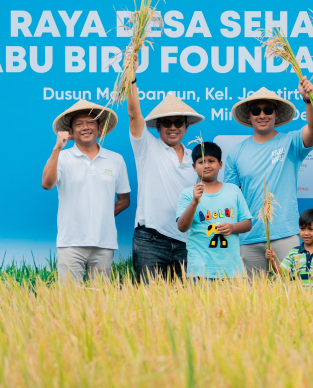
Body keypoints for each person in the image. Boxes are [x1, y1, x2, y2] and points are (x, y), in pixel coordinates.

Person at [224, 80, 313, 277]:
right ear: (249, 116)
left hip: (285, 235)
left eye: (268, 110)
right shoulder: (236, 153)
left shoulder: (290, 142)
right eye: (256, 111)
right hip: (248, 238)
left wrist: (308, 100)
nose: (262, 115)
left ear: (276, 114)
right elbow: (231, 200)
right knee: (251, 301)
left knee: (291, 296)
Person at [41, 100, 130, 284]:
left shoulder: (116, 159)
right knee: (68, 302)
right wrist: (57, 148)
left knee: (99, 304)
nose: (85, 127)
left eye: (90, 122)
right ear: (71, 132)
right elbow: (47, 184)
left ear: (99, 127)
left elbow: (124, 200)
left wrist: (101, 215)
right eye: (79, 124)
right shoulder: (62, 157)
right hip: (70, 243)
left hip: (104, 243)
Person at [128, 78, 204, 282]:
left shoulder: (194, 159)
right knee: (147, 304)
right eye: (167, 123)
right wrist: (132, 78)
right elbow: (134, 115)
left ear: (186, 127)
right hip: (150, 241)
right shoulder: (147, 147)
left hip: (186, 242)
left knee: (184, 307)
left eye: (178, 122)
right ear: (158, 127)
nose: (173, 127)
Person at [176, 142, 252, 279]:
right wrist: (194, 201)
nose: (206, 165)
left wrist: (232, 227)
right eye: (201, 162)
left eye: (211, 161)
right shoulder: (188, 194)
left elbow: (247, 223)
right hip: (200, 270)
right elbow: (182, 227)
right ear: (194, 167)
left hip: (231, 270)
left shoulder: (233, 191)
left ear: (220, 164)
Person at [266, 209, 313, 287]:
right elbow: (281, 274)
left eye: (311, 229)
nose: (306, 233)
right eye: (302, 229)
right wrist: (273, 259)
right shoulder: (293, 253)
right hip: (297, 298)